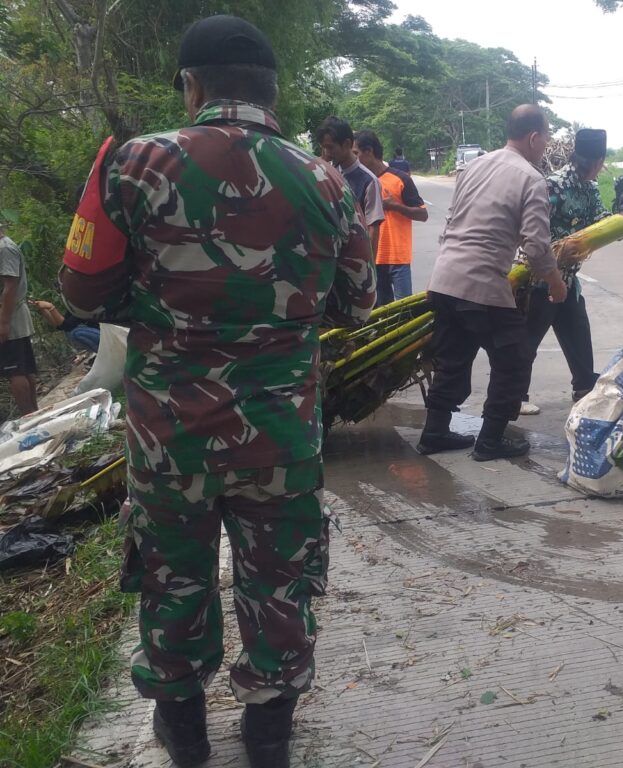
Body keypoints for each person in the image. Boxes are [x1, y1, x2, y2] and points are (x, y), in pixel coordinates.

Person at [59, 15, 375, 768]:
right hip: (282, 435)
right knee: (278, 583)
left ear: (192, 86)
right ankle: (269, 735)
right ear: (273, 92)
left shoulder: (134, 164)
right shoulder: (328, 179)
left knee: (174, 578)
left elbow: (80, 292)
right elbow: (357, 306)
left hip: (170, 435)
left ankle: (185, 734)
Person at [417, 104, 567, 461]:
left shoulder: (475, 165)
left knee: (451, 359)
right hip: (481, 285)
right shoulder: (532, 179)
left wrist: (442, 273)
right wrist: (556, 283)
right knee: (514, 358)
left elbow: (451, 222)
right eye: (545, 138)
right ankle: (490, 440)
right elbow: (535, 246)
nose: (545, 146)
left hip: (444, 280)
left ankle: (434, 432)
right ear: (533, 137)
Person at [520, 128, 623, 415]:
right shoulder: (554, 185)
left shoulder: (588, 188)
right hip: (541, 279)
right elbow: (534, 233)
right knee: (528, 340)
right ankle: (516, 394)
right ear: (597, 160)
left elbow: (600, 222)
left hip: (568, 279)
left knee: (578, 331)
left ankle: (583, 388)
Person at [354, 130, 428, 305]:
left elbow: (423, 214)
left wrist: (395, 205)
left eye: (356, 153)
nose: (353, 158)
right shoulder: (360, 182)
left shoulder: (400, 179)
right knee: (381, 313)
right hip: (374, 258)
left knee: (404, 310)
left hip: (398, 259)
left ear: (369, 151)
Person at [317, 117, 385, 258]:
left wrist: (369, 269)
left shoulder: (369, 181)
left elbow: (373, 227)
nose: (327, 153)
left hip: (355, 260)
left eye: (330, 147)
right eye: (324, 147)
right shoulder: (328, 173)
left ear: (347, 144)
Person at [0, 221, 37, 416]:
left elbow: (10, 286)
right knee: (23, 367)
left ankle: (27, 415)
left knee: (13, 369)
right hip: (11, 313)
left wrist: (3, 323)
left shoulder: (5, 249)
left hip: (9, 314)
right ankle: (34, 413)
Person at [29, 298, 100, 353]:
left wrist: (50, 307)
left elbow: (66, 325)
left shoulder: (84, 300)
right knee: (70, 332)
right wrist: (43, 309)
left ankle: (104, 353)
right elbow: (60, 326)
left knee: (76, 333)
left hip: (106, 333)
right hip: (99, 332)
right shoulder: (74, 304)